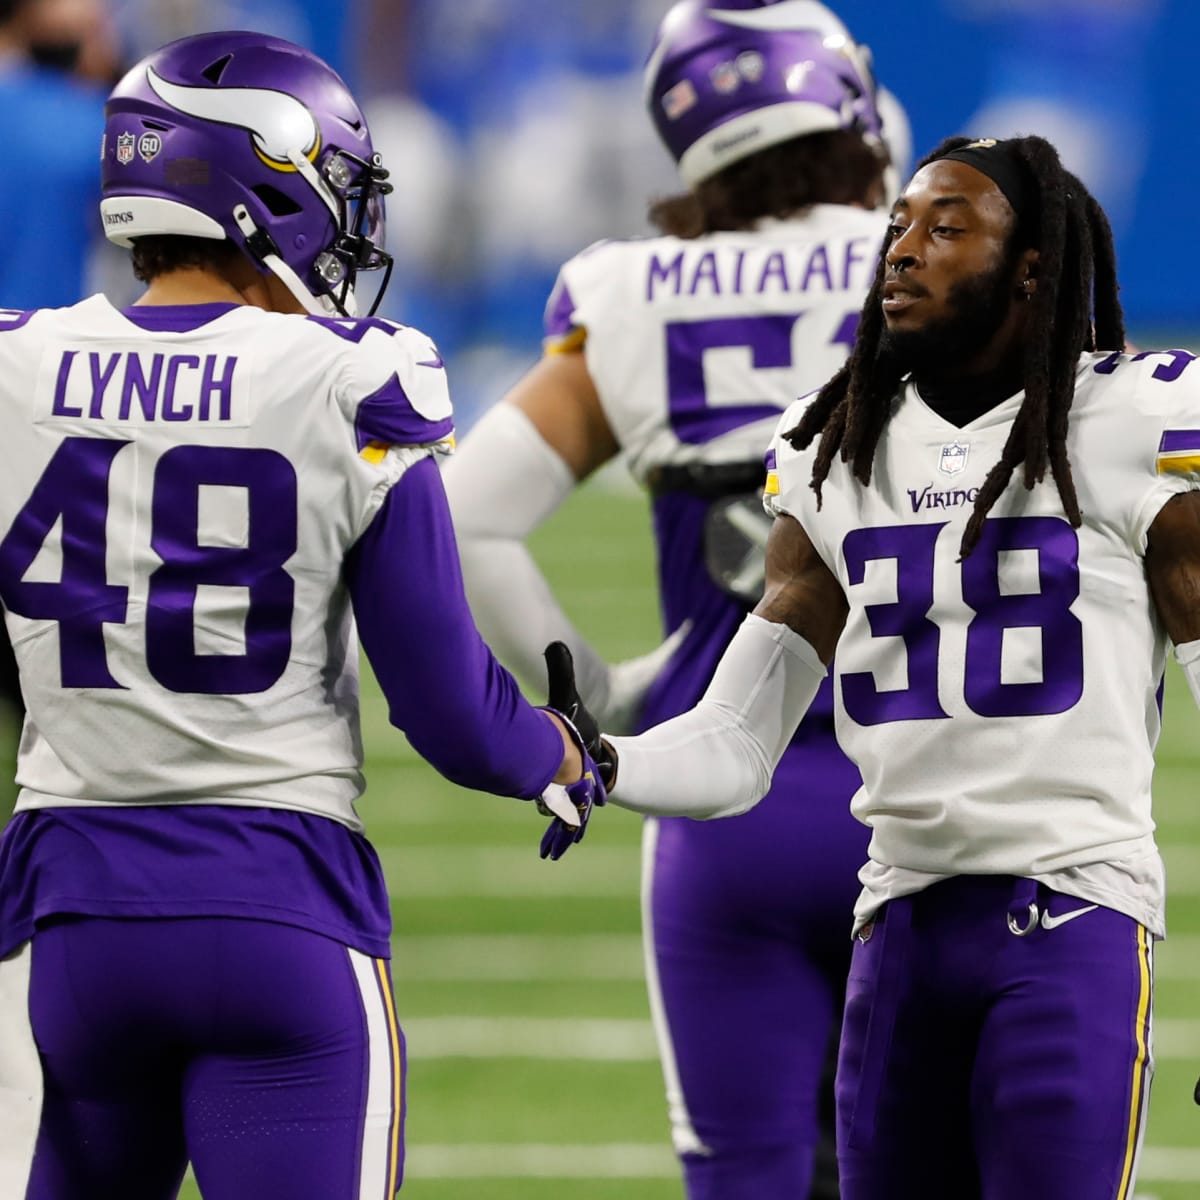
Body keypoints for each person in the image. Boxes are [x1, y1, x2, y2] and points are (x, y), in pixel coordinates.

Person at [0, 31, 603, 1200]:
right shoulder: (346, 374)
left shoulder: (17, 367)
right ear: (264, 180)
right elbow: (449, 710)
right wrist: (561, 750)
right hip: (275, 907)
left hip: (63, 917)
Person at [548, 131, 1198, 1199]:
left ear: (1033, 267)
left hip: (1069, 922)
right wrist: (605, 762)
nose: (903, 251)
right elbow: (738, 739)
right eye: (898, 225)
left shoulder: (1132, 423)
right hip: (896, 930)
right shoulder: (835, 449)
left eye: (946, 229)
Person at [445, 3, 905, 1195]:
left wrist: (599, 691)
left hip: (723, 812)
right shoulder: (941, 257)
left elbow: (466, 515)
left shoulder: (634, 292)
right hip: (930, 794)